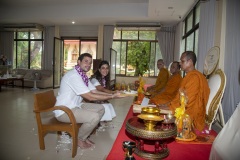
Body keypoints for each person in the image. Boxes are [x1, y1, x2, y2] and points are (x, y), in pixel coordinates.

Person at [53, 53, 124, 149]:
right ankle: (79, 139)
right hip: (64, 111)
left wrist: (112, 94)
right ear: (79, 62)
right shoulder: (74, 76)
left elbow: (94, 91)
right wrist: (112, 97)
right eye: (86, 61)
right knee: (94, 117)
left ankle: (84, 135)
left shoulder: (83, 76)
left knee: (101, 108)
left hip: (76, 106)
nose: (88, 65)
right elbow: (90, 97)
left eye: (90, 63)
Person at [166, 51, 210, 132]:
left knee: (162, 119)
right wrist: (170, 105)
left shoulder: (194, 77)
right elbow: (180, 97)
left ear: (190, 62)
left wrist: (170, 108)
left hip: (190, 114)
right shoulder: (189, 76)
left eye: (182, 61)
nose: (180, 63)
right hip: (180, 107)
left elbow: (188, 102)